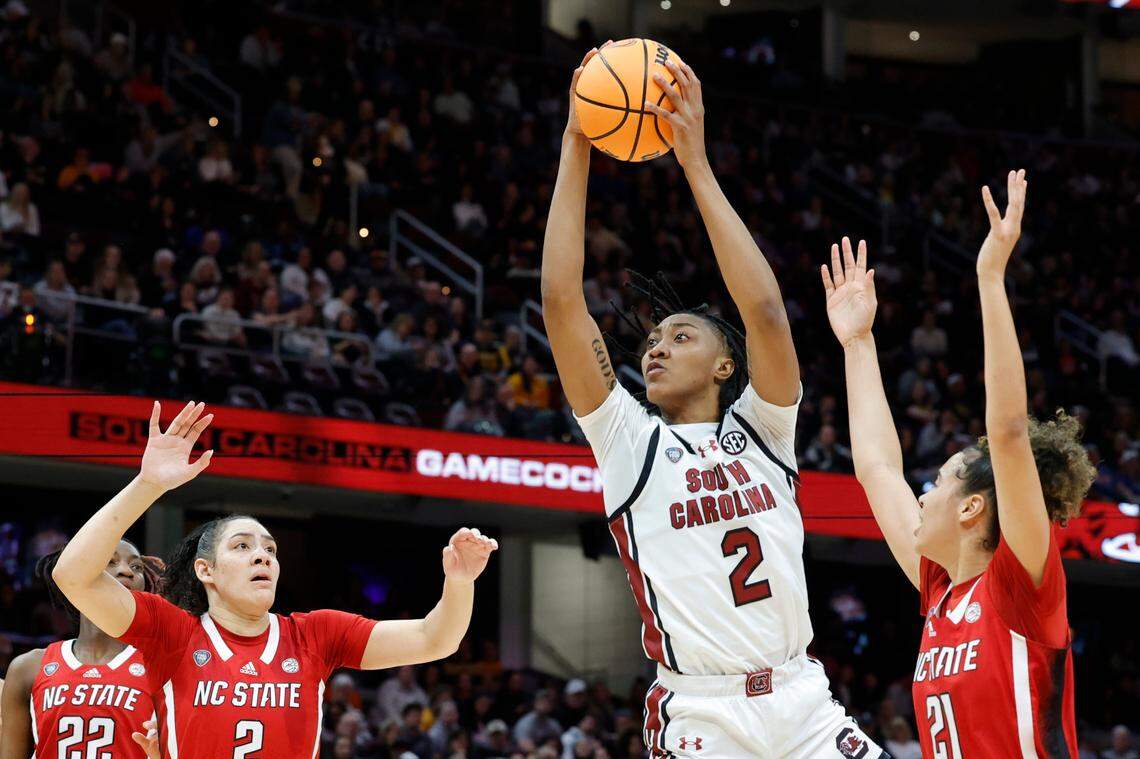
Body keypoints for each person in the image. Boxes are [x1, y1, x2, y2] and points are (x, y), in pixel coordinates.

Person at [541, 47, 883, 757]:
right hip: (702, 713)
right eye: (651, 342)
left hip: (803, 700)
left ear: (727, 365)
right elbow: (561, 301)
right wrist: (577, 141)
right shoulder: (629, 442)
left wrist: (694, 162)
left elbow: (763, 309)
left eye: (680, 334)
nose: (654, 348)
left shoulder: (763, 429)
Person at [51, 400, 498, 757]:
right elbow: (72, 575)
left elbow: (435, 639)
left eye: (270, 549)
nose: (262, 556)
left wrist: (460, 581)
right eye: (242, 546)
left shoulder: (316, 635)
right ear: (205, 570)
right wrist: (148, 485)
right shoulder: (173, 632)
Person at [823, 171, 1094, 758]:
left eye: (938, 482)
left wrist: (990, 277)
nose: (921, 494)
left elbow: (1007, 432)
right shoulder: (942, 589)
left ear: (973, 507)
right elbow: (876, 469)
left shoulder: (1020, 585)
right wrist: (857, 344)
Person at [0, 544, 163, 759]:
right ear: (75, 574)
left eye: (137, 566)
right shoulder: (28, 668)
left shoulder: (163, 667)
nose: (127, 570)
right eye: (109, 561)